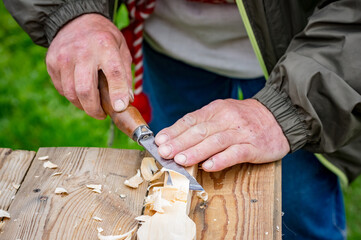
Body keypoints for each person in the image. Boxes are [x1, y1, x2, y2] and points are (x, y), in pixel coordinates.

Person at [4, 0, 361, 239]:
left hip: (305, 52)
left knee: (297, 204)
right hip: (171, 48)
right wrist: (70, 12)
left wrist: (291, 107)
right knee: (178, 192)